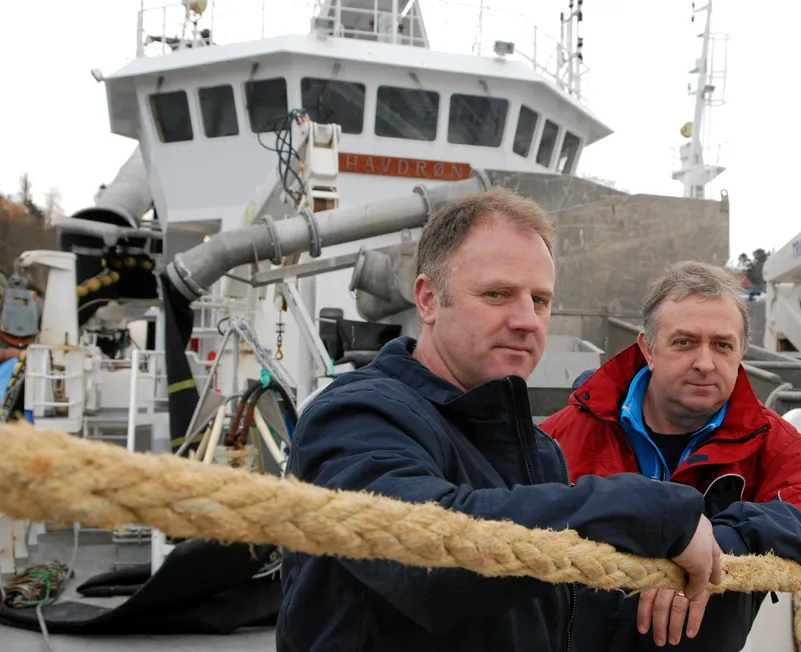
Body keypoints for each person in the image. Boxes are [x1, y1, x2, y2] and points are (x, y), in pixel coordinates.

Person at [275, 189, 724, 652]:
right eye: (497, 294)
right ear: (429, 300)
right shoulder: (355, 415)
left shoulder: (538, 450)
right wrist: (645, 510)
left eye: (541, 300)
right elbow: (424, 559)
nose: (528, 320)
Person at [540, 261, 801, 651]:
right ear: (648, 349)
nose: (705, 363)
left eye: (722, 345)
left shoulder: (766, 439)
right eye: (684, 342)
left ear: (741, 351)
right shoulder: (564, 435)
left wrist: (728, 537)